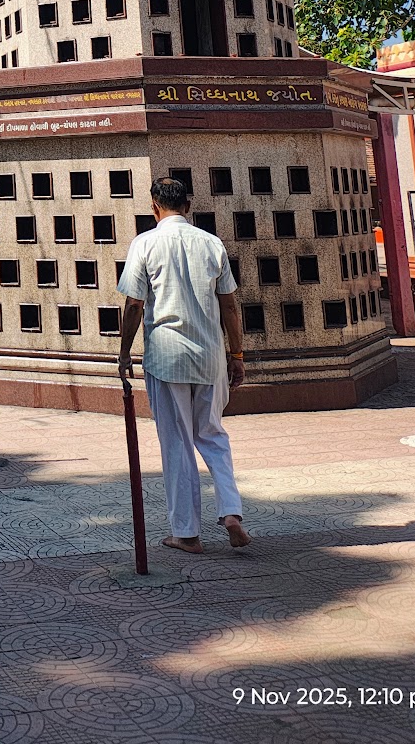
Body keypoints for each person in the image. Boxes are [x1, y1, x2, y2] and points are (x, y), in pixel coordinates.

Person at [117, 175, 250, 554]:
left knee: (176, 443)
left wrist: (124, 353)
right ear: (188, 207)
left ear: (154, 207)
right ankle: (231, 512)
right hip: (210, 357)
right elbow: (229, 305)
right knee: (213, 435)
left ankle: (186, 533)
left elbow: (134, 305)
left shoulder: (144, 243)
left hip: (167, 357)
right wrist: (236, 355)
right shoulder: (211, 243)